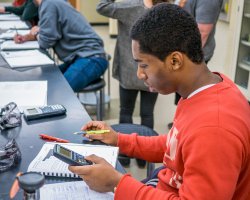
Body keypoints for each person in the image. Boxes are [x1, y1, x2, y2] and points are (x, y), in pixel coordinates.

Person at [69, 4, 250, 199]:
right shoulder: (204, 88)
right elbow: (176, 144)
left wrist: (117, 183)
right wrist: (118, 140)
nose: (139, 74)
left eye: (144, 65)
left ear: (175, 61)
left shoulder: (214, 129)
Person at [96, 0, 171, 167]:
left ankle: (123, 155)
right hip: (154, 72)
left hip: (130, 71)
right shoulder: (165, 9)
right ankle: (144, 158)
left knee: (126, 111)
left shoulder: (131, 7)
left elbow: (101, 6)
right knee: (147, 114)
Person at [14, 0, 108, 92]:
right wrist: (26, 37)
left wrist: (37, 34)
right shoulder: (53, 2)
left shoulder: (48, 4)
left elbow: (46, 41)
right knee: (47, 79)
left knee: (59, 92)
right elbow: (45, 32)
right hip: (79, 57)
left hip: (90, 58)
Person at [168, 0, 224, 129]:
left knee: (190, 92)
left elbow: (203, 32)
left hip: (191, 54)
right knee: (182, 92)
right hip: (182, 51)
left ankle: (187, 125)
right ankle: (180, 123)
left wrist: (185, 58)